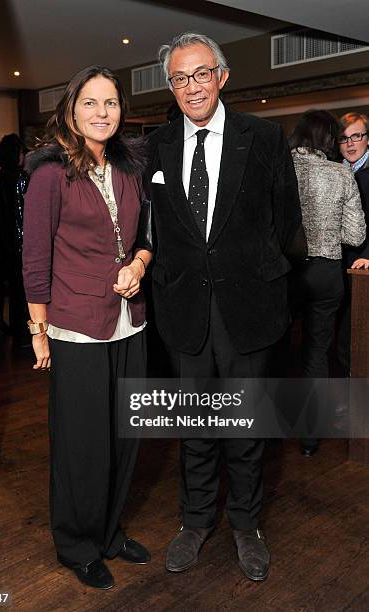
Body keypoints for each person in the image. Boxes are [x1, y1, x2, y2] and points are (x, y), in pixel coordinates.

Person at [146, 32, 303, 582]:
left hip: (248, 310)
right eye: (180, 77)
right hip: (185, 312)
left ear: (222, 75)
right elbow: (157, 232)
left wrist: (260, 278)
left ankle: (245, 524)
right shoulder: (158, 147)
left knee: (244, 427)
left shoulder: (263, 138)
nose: (192, 86)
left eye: (201, 73)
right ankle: (194, 521)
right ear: (172, 85)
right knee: (195, 426)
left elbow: (286, 226)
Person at [22, 65, 152, 590]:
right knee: (82, 445)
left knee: (125, 437)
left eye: (111, 103)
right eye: (91, 103)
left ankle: (108, 531)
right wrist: (38, 330)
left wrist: (139, 265)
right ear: (71, 111)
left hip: (129, 322)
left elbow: (145, 232)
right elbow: (34, 259)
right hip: (75, 326)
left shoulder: (126, 166)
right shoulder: (52, 174)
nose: (102, 113)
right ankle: (77, 542)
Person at [289, 110, 366, 454]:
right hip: (327, 273)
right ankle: (309, 438)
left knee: (271, 349)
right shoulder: (341, 173)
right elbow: (356, 233)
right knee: (316, 354)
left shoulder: (281, 167)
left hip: (287, 272)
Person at [0, 134, 29, 344]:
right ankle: (22, 334)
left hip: (0, 244)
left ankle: (6, 329)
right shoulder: (22, 178)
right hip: (20, 244)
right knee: (21, 292)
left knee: (7, 290)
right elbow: (24, 215)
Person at [336, 112, 369, 375]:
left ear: (367, 139)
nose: (350, 144)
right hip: (340, 266)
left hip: (365, 267)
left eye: (356, 136)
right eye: (344, 138)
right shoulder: (336, 172)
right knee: (344, 337)